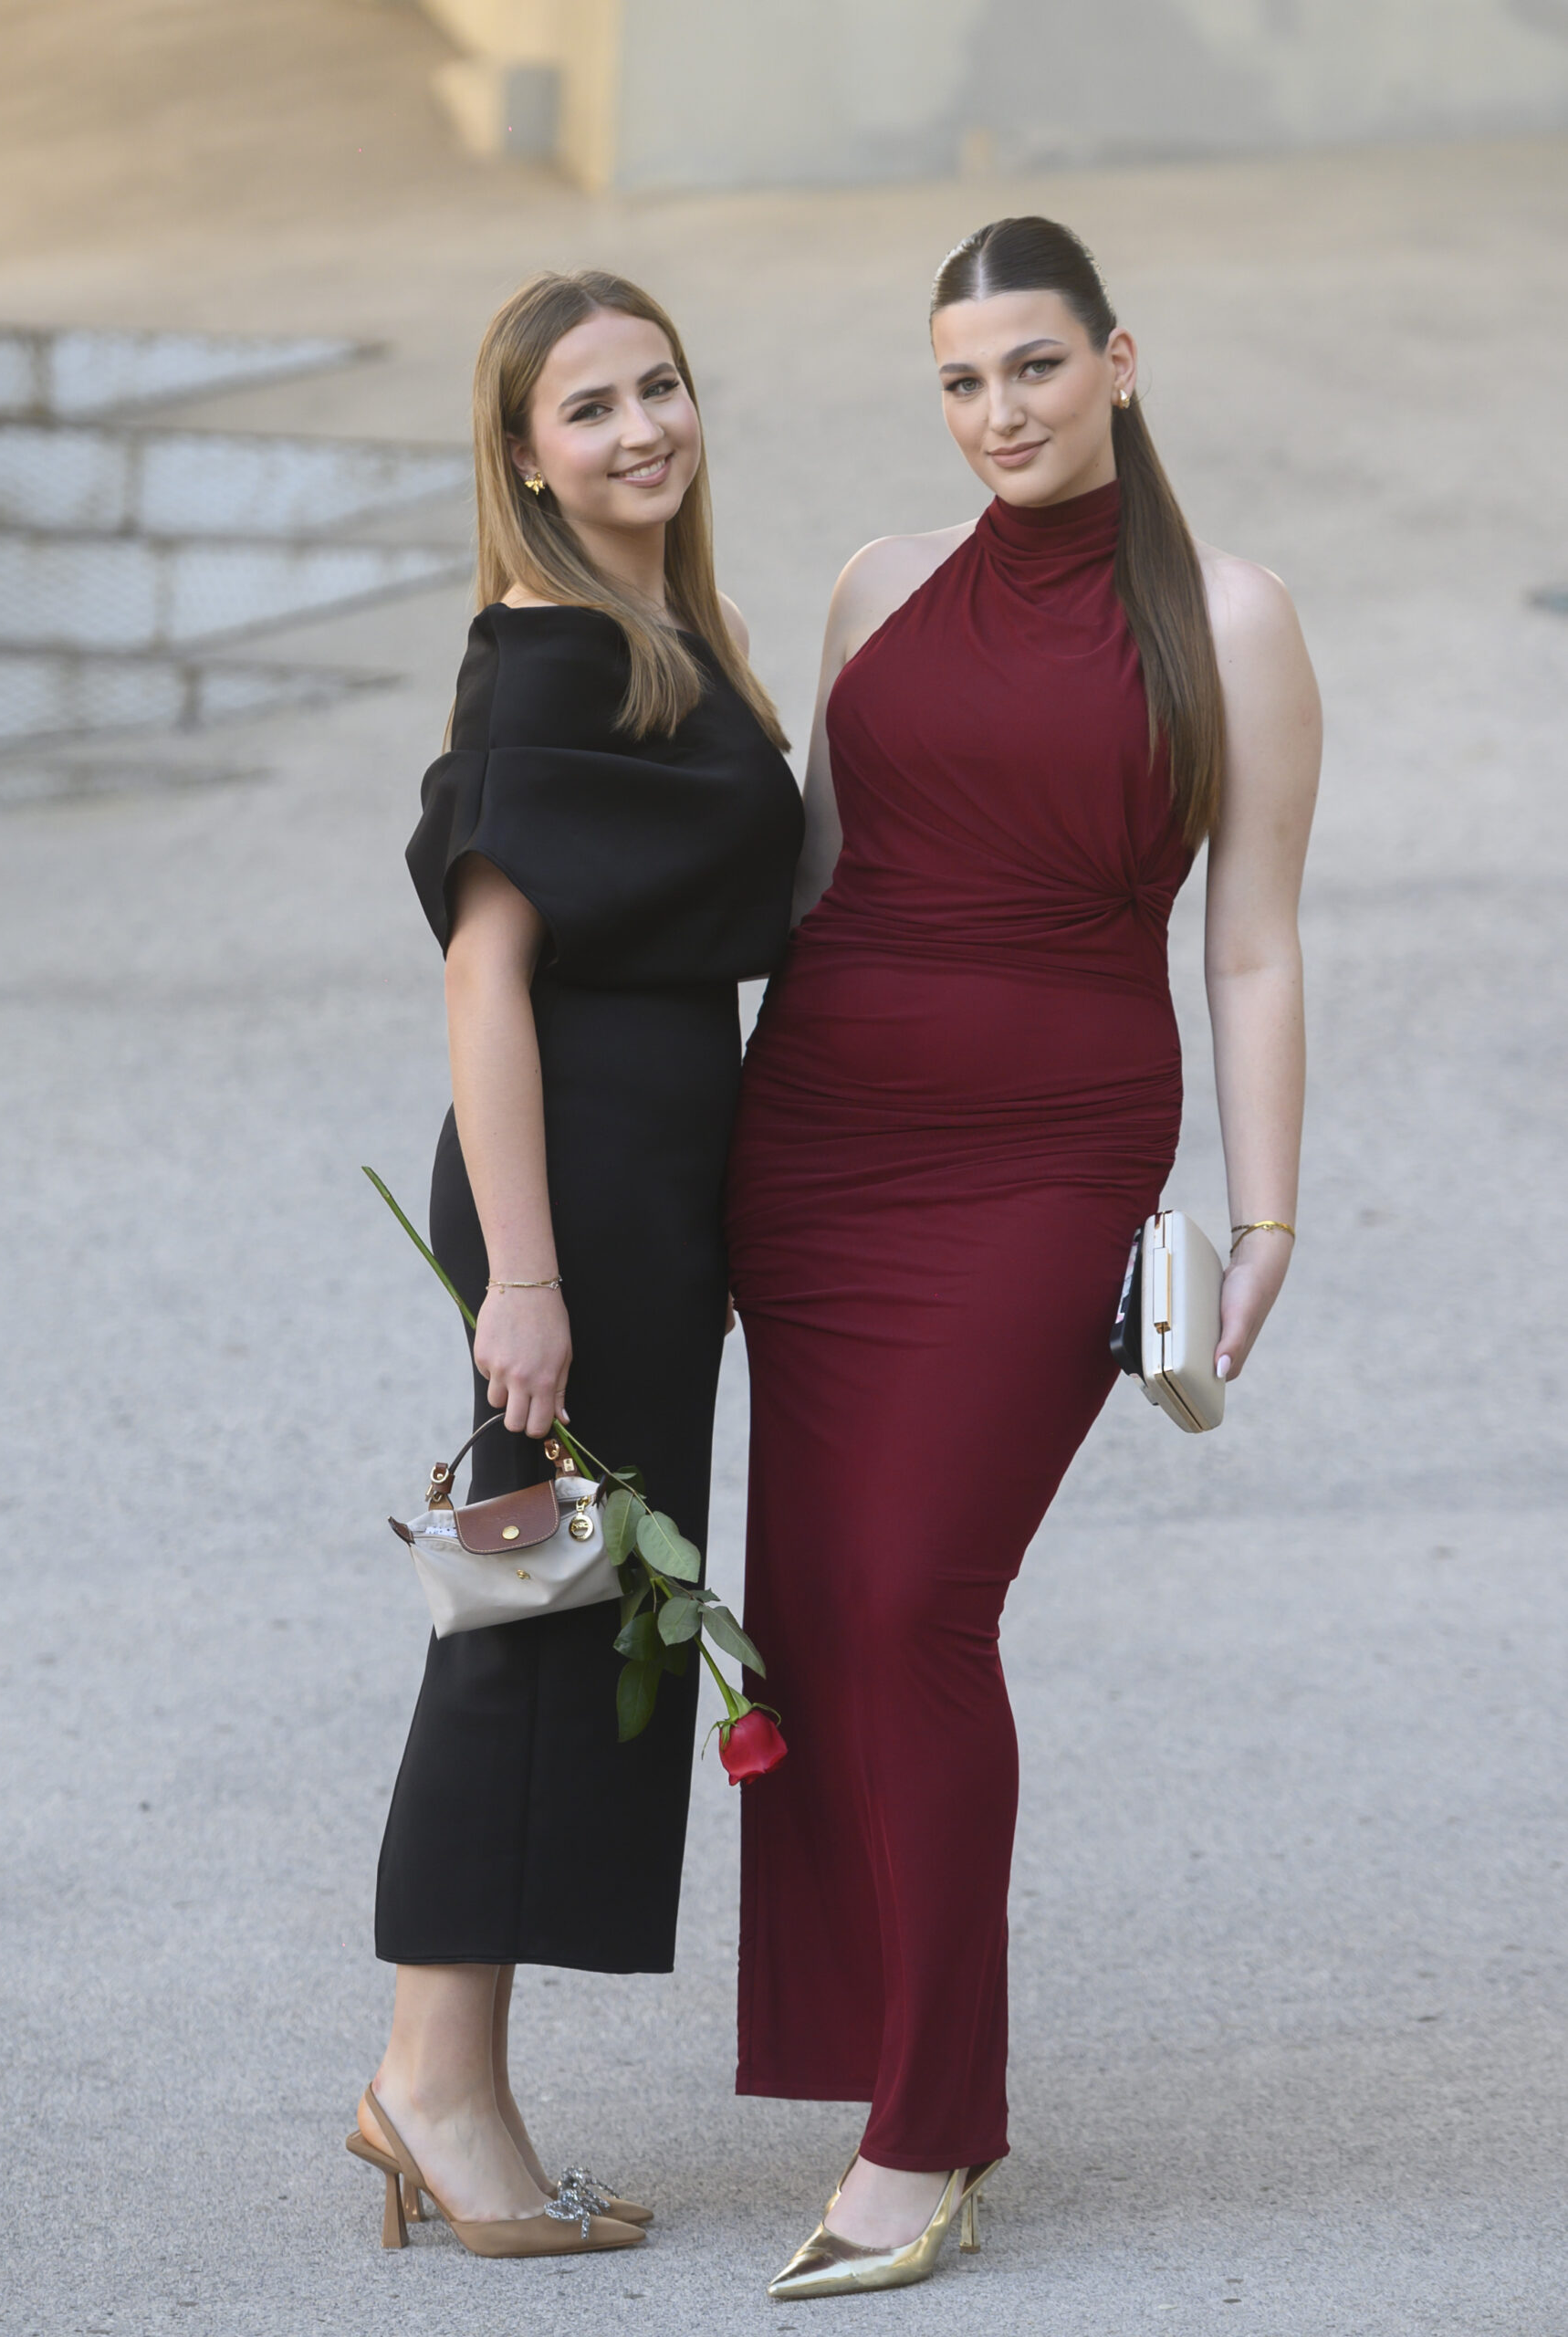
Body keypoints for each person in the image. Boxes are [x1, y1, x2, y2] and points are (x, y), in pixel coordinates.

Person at [724, 215, 1321, 2300]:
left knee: (915, 1593)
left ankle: (930, 2127)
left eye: (1036, 368)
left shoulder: (1230, 619)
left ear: (1120, 362)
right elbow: (801, 882)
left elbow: (1251, 941)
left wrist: (1265, 1210)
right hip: (815, 1155)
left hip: (1050, 1157)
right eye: (963, 381)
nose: (999, 413)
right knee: (822, 1616)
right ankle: (897, 2080)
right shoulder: (874, 587)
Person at [350, 269, 802, 2261]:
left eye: (660, 388)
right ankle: (430, 2085)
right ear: (524, 457)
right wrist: (522, 1282)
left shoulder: (674, 633)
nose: (640, 430)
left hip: (644, 1183)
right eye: (591, 409)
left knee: (572, 1607)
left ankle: (439, 2078)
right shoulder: (543, 654)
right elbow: (485, 972)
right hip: (573, 1195)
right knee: (531, 1614)